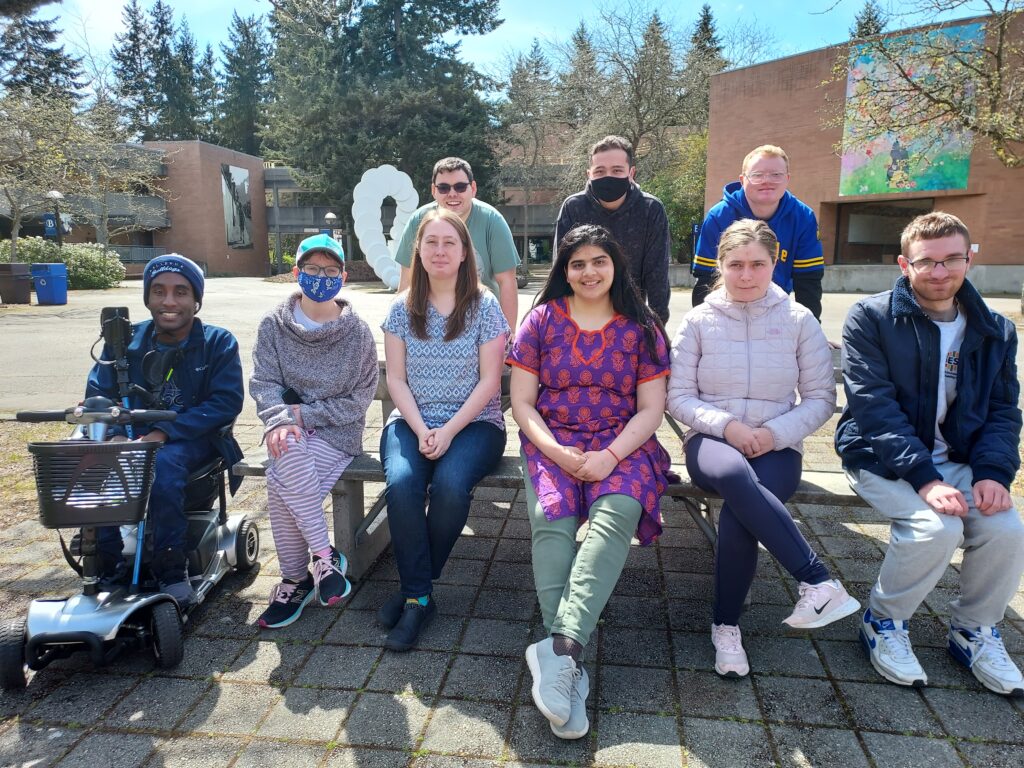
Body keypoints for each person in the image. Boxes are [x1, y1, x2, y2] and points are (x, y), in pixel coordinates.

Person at [836, 211, 1024, 696]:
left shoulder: (996, 330)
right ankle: (883, 622)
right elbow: (873, 408)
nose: (939, 272)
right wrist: (925, 478)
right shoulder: (872, 317)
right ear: (905, 264)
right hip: (881, 456)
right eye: (927, 262)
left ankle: (974, 630)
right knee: (933, 528)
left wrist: (993, 473)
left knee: (1005, 527)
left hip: (958, 459)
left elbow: (1003, 410)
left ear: (969, 258)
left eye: (951, 260)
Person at [668, 219, 859, 679]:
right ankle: (817, 580)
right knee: (734, 478)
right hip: (713, 443)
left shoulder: (798, 320)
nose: (747, 275)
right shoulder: (697, 320)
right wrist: (729, 427)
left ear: (776, 264)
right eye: (736, 265)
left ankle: (726, 626)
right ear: (720, 264)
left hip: (779, 445)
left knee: (739, 515)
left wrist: (773, 435)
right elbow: (678, 396)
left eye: (758, 264)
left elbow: (819, 398)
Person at [509, 224, 673, 740]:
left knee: (615, 516)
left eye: (598, 261)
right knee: (550, 521)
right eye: (577, 263)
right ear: (564, 270)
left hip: (622, 443)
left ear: (615, 266)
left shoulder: (641, 327)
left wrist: (610, 456)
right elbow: (522, 403)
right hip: (552, 440)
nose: (588, 272)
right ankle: (567, 663)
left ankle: (559, 649)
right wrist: (555, 450)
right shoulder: (540, 321)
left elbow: (652, 410)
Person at [380, 207, 509, 652]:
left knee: (453, 486)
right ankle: (420, 597)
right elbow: (395, 379)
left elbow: (491, 381)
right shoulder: (401, 308)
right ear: (418, 250)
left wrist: (450, 430)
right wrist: (420, 429)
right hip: (411, 421)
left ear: (463, 252)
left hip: (476, 423)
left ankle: (413, 588)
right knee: (401, 484)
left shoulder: (484, 304)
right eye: (431, 242)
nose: (439, 250)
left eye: (449, 243)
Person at [86, 254, 243, 607]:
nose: (169, 301)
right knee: (90, 462)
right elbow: (97, 393)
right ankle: (108, 565)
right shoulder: (123, 342)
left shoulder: (218, 342)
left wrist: (162, 433)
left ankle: (172, 569)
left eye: (180, 292)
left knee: (161, 466)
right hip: (128, 437)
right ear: (148, 297)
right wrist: (109, 433)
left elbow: (225, 403)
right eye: (159, 291)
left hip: (192, 438)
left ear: (195, 299)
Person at [250, 234, 378, 629]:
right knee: (286, 458)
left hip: (337, 432)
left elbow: (359, 399)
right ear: (296, 272)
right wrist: (282, 419)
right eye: (312, 269)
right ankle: (325, 558)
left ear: (343, 275)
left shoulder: (356, 333)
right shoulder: (274, 325)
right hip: (286, 429)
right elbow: (263, 382)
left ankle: (295, 580)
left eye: (330, 270)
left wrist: (304, 415)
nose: (321, 277)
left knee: (281, 475)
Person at [692, 145, 824, 321]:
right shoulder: (719, 216)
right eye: (757, 175)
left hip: (776, 311)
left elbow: (808, 281)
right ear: (742, 179)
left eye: (776, 175)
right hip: (727, 312)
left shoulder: (803, 217)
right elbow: (705, 279)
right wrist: (704, 327)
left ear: (787, 178)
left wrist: (811, 330)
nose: (766, 181)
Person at [554, 135, 671, 323]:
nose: (608, 177)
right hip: (581, 316)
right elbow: (561, 269)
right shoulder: (573, 207)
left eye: (617, 170)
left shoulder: (650, 209)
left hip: (631, 317)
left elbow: (657, 275)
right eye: (600, 171)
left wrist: (657, 330)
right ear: (589, 174)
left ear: (631, 173)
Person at [395, 157, 520, 330]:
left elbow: (507, 282)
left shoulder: (493, 221)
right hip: (429, 322)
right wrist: (402, 328)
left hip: (482, 321)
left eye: (460, 187)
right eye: (444, 188)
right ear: (433, 190)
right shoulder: (418, 220)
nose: (452, 194)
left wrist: (508, 336)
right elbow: (407, 281)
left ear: (473, 188)